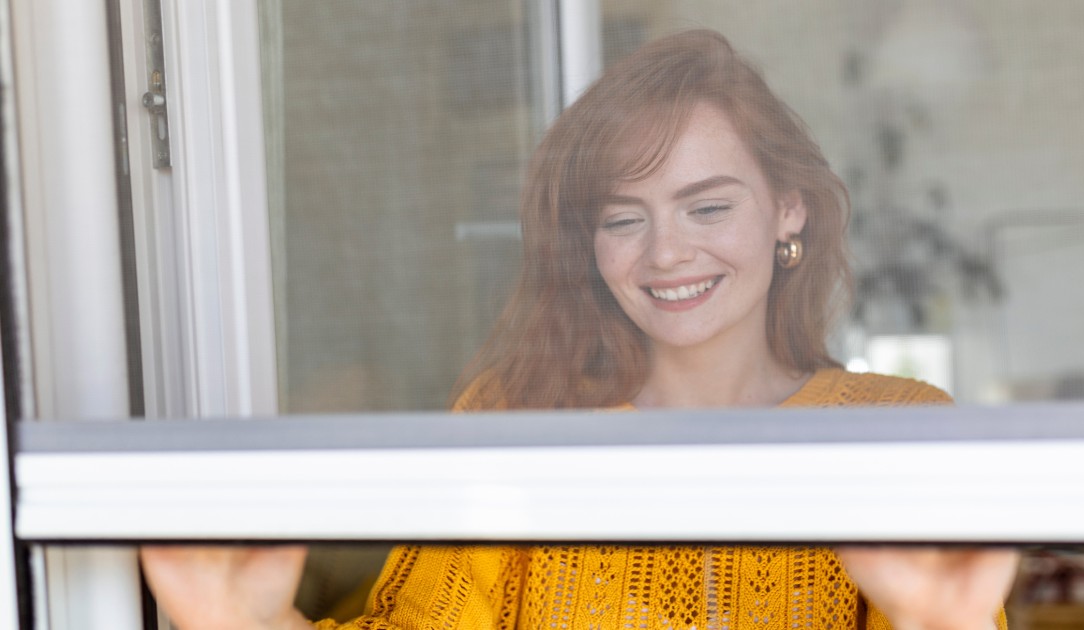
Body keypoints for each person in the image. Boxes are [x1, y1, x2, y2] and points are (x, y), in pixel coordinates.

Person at [142, 29, 1017, 630]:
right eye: (621, 217)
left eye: (707, 205)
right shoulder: (514, 421)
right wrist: (235, 619)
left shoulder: (898, 425)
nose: (666, 253)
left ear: (788, 209)